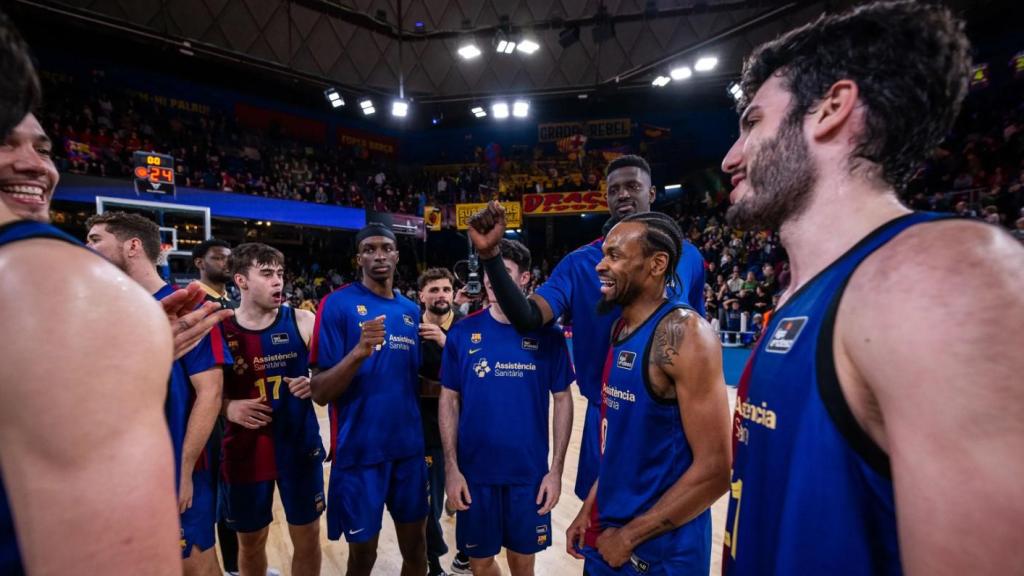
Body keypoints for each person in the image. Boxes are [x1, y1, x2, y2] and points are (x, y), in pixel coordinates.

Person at [719, 2, 1024, 574]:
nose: (730, 157)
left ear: (831, 108)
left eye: (752, 123)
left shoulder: (938, 276)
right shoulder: (804, 295)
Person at [0, 15, 187, 571]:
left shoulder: (64, 296)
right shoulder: (63, 296)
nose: (36, 164)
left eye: (42, 146)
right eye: (4, 141)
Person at [467, 155, 706, 505]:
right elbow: (529, 316)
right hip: (605, 412)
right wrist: (489, 257)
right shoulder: (581, 263)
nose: (623, 194)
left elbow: (697, 335)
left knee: (665, 525)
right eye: (614, 190)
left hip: (668, 418)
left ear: (652, 193)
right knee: (599, 534)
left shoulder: (690, 258)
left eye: (633, 186)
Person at [566, 212, 731, 575]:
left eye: (615, 255)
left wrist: (628, 537)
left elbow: (716, 470)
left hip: (658, 552)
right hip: (608, 532)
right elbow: (619, 446)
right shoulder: (620, 330)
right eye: (603, 254)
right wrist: (588, 508)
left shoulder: (686, 336)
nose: (600, 266)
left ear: (657, 264)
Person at [86, 211, 231, 576]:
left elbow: (210, 395)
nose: (86, 248)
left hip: (177, 467)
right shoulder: (101, 310)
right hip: (117, 471)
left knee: (193, 565)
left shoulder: (191, 305)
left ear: (132, 245)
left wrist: (181, 471)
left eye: (95, 239)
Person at [440, 239, 574, 576]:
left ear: (525, 278)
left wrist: (555, 470)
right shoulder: (463, 332)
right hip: (475, 474)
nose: (491, 280)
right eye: (489, 272)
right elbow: (449, 399)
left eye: (503, 272)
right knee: (480, 563)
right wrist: (452, 468)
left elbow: (562, 400)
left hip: (527, 476)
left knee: (522, 562)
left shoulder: (549, 336)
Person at [309, 223, 427, 576]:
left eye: (386, 248)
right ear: (358, 257)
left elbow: (413, 381)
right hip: (360, 453)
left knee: (417, 551)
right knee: (363, 557)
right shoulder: (337, 305)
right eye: (370, 249)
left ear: (397, 255)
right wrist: (359, 352)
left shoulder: (410, 310)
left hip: (408, 451)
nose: (379, 255)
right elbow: (319, 391)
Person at [218, 243, 324, 576]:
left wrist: (314, 382)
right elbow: (198, 392)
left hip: (299, 448)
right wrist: (227, 407)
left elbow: (329, 378)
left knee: (307, 537)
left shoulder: (303, 320)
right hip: (245, 451)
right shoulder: (219, 327)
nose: (277, 281)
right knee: (250, 542)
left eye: (279, 273)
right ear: (241, 280)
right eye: (266, 274)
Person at [416, 267, 463, 576]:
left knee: (468, 494)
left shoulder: (465, 327)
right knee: (427, 503)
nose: (441, 295)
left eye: (446, 289)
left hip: (467, 427)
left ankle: (469, 554)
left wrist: (447, 344)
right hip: (425, 429)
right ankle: (434, 563)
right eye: (433, 290)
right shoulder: (409, 328)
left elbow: (477, 375)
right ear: (421, 296)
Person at [193, 238, 237, 309]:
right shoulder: (187, 302)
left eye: (230, 259)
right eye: (219, 258)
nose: (228, 263)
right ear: (199, 263)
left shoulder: (237, 304)